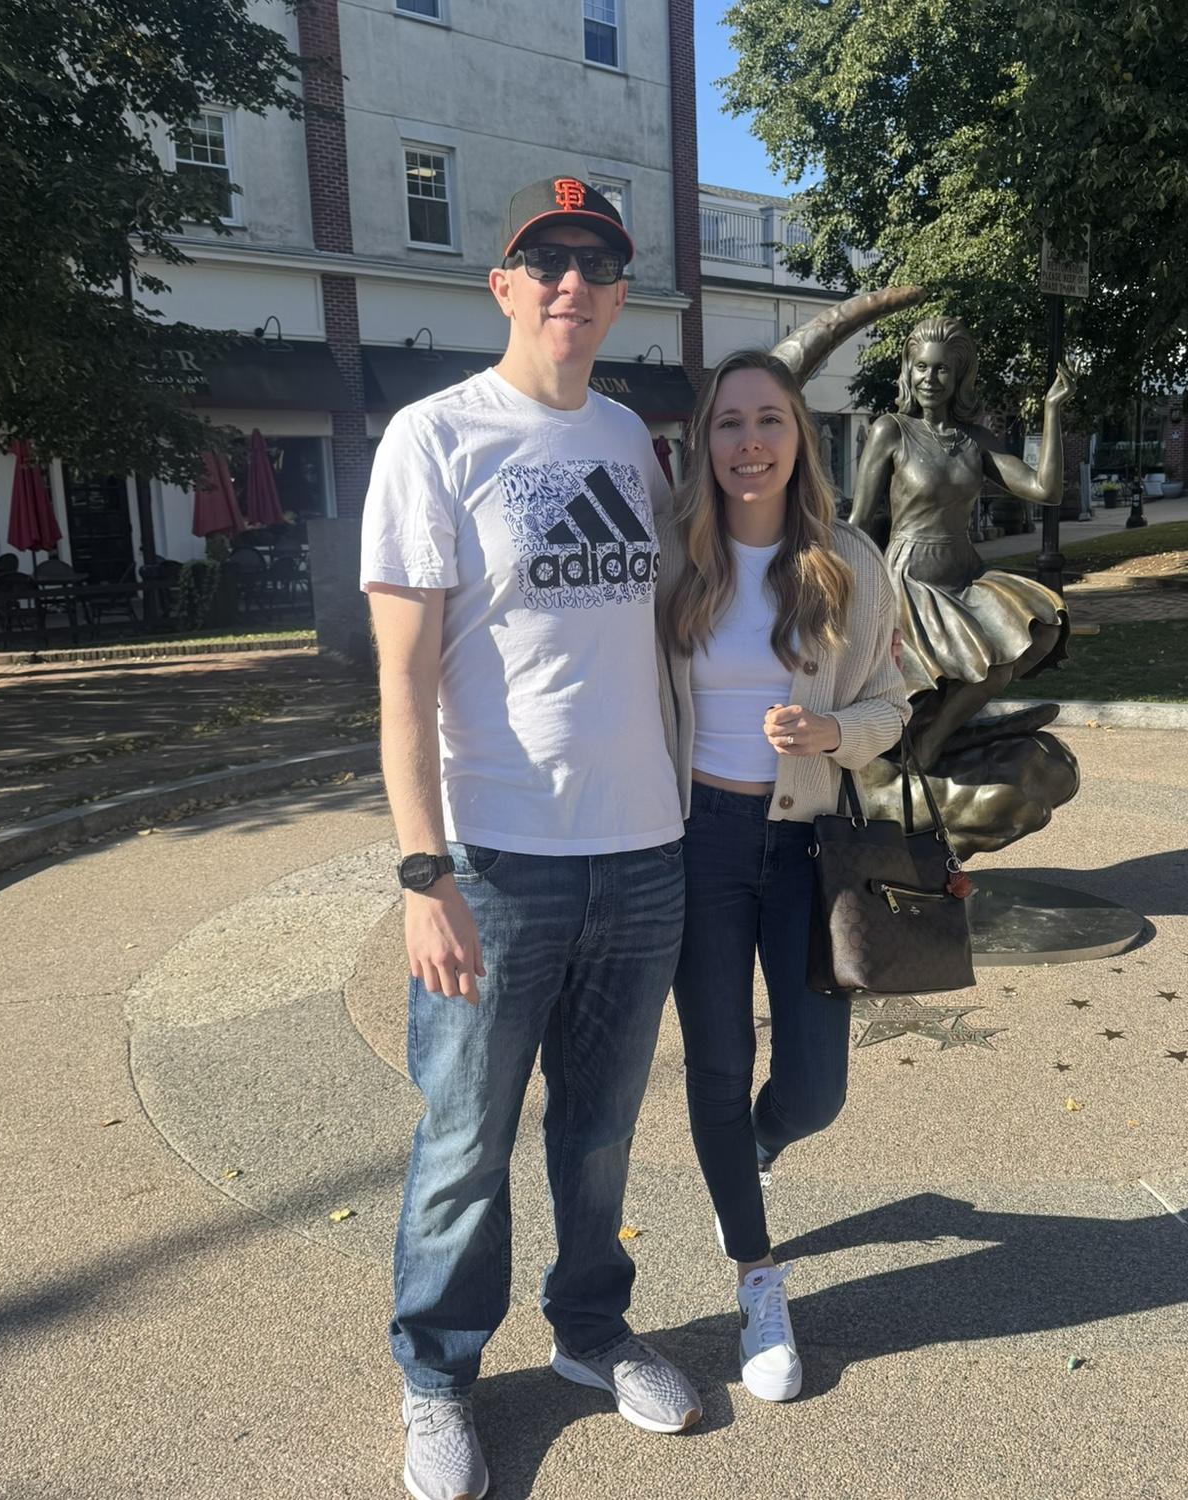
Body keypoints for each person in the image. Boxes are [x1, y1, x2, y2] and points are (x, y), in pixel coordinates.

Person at [361, 176, 701, 1500]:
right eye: (546, 260)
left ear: (619, 296)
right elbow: (401, 682)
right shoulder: (434, 438)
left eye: (597, 264)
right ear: (501, 285)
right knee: (464, 1143)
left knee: (601, 1133)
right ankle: (440, 1376)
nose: (573, 282)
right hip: (496, 862)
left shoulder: (629, 442)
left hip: (643, 851)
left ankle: (590, 1332)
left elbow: (681, 620)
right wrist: (423, 874)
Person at [657, 349, 909, 1403]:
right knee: (716, 1065)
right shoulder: (673, 555)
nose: (749, 442)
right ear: (704, 441)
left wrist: (832, 731)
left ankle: (755, 1146)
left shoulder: (847, 559)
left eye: (769, 420)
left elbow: (894, 707)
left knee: (815, 1088)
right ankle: (757, 1278)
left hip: (809, 847)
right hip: (698, 842)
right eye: (729, 423)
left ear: (800, 436)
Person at [850, 315, 1074, 771]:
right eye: (921, 367)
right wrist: (843, 584)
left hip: (964, 571)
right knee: (978, 663)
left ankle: (936, 735)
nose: (929, 379)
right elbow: (859, 520)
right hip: (911, 579)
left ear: (959, 377)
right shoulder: (891, 430)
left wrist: (1052, 411)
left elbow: (1045, 490)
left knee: (1040, 630)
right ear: (908, 370)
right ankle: (922, 741)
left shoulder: (976, 441)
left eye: (942, 369)